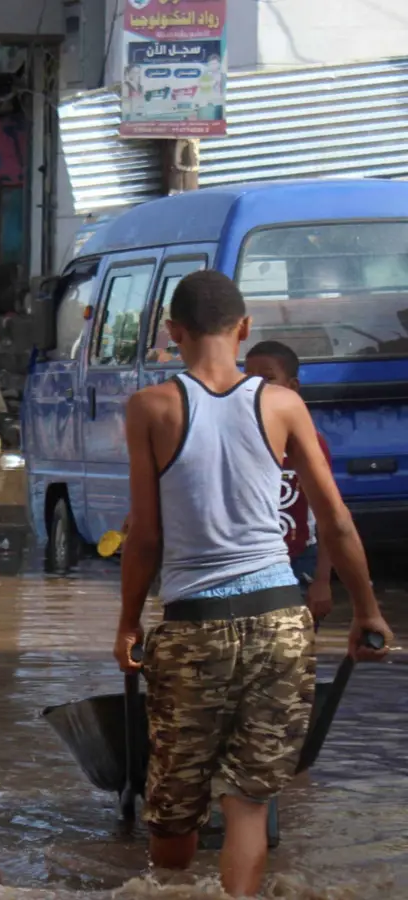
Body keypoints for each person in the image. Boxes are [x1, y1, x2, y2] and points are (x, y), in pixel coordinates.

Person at [113, 270, 392, 897]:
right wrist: (366, 611)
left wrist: (129, 623)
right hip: (280, 622)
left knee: (175, 798)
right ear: (244, 329)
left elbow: (146, 539)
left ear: (171, 334)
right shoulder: (283, 403)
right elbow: (336, 520)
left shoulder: (151, 407)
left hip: (192, 629)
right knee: (249, 797)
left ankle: (172, 891)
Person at [242, 340, 335, 624]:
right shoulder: (236, 439)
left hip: (298, 564)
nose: (256, 387)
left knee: (297, 652)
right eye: (247, 379)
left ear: (292, 388)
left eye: (268, 379)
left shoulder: (307, 444)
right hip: (247, 566)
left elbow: (329, 518)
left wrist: (322, 581)